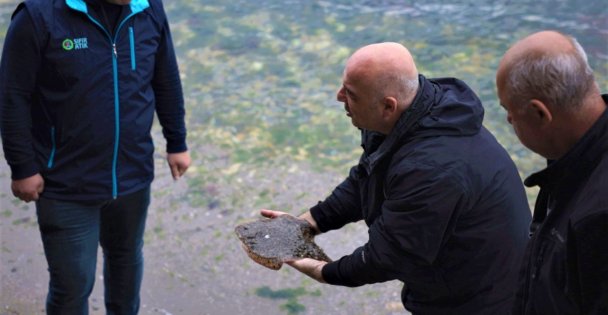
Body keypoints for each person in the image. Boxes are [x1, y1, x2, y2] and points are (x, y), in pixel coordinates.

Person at [259, 42, 532, 314]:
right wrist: (306, 224)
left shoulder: (432, 169)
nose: (339, 96)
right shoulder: (409, 115)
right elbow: (365, 178)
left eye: (350, 93)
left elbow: (388, 256)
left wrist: (323, 271)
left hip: (480, 300)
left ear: (388, 106)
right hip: (446, 280)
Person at [0, 0, 190, 314]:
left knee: (126, 265)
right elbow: (11, 97)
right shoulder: (38, 15)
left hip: (133, 175)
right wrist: (22, 167)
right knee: (72, 285)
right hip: (64, 184)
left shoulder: (148, 8)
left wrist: (177, 141)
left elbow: (165, 78)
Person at [496, 30, 608, 314]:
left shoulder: (596, 218)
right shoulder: (575, 158)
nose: (509, 120)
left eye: (509, 114)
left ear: (539, 114)